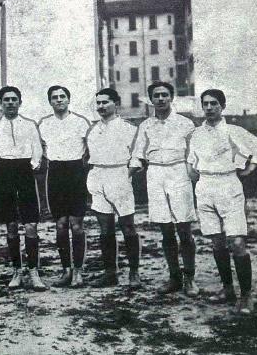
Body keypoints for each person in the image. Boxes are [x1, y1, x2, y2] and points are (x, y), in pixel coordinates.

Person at [187, 89, 257, 314]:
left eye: (214, 103)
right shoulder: (196, 134)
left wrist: (249, 169)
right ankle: (227, 288)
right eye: (206, 104)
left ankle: (247, 296)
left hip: (229, 185)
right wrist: (197, 181)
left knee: (237, 243)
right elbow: (191, 163)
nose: (210, 108)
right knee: (217, 243)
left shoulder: (234, 130)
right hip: (205, 187)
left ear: (222, 106)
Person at [132, 81, 199, 296]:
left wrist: (193, 174)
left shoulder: (186, 124)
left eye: (164, 95)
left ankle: (190, 278)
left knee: (184, 228)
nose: (160, 99)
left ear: (171, 98)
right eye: (156, 96)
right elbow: (138, 155)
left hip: (179, 172)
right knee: (166, 229)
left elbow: (194, 154)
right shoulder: (145, 126)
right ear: (151, 100)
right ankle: (174, 277)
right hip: (156, 174)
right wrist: (128, 174)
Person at [0, 86, 47, 291]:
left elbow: (37, 152)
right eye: (6, 100)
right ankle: (17, 271)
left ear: (20, 102)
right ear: (1, 103)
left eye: (14, 99)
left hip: (24, 173)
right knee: (11, 226)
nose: (10, 103)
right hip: (3, 173)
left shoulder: (30, 125)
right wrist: (3, 170)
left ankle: (34, 271)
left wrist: (28, 168)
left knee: (31, 225)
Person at [85, 88, 142, 288]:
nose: (101, 106)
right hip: (98, 176)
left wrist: (126, 175)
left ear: (116, 103)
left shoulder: (129, 128)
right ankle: (111, 272)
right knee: (105, 228)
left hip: (119, 175)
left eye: (105, 102)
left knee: (127, 226)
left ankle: (134, 273)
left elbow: (137, 157)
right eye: (98, 103)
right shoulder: (92, 129)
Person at [37, 85, 90, 288]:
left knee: (77, 225)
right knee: (60, 225)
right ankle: (66, 270)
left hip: (76, 173)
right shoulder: (43, 124)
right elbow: (38, 149)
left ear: (68, 99)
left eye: (62, 96)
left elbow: (90, 149)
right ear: (50, 101)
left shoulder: (81, 122)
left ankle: (78, 271)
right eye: (54, 97)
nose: (59, 100)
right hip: (56, 174)